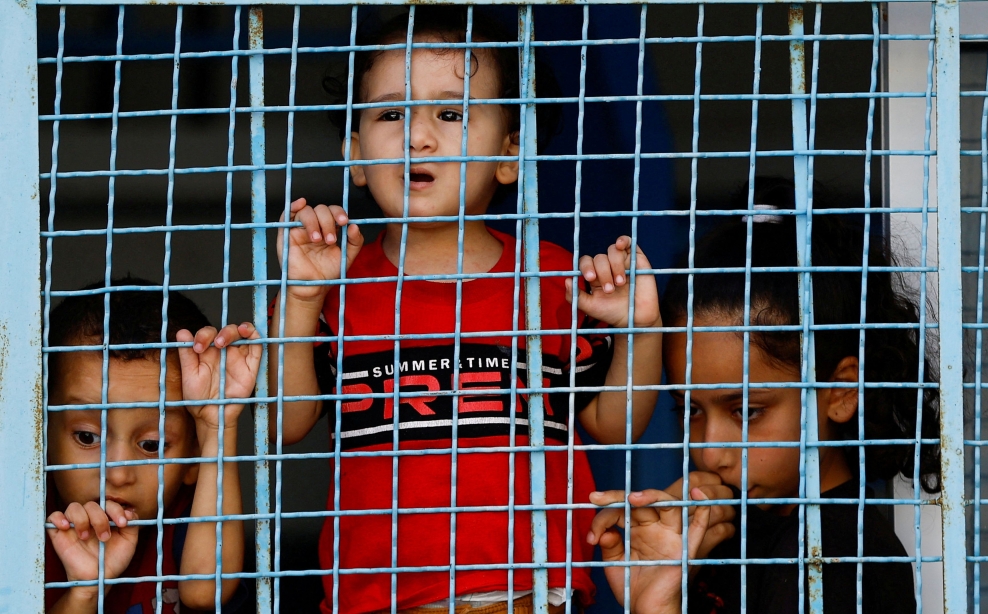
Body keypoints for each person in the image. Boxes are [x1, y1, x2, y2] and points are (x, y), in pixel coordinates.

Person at [267, 7, 662, 613]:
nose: (417, 136)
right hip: (377, 600)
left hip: (529, 594)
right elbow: (283, 423)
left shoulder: (551, 277)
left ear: (511, 152)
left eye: (452, 113)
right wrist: (300, 297)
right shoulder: (336, 284)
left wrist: (639, 330)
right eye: (391, 113)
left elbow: (613, 425)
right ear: (354, 153)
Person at [588, 180, 940, 613]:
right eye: (691, 410)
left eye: (747, 411)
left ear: (842, 389)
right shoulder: (724, 534)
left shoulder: (838, 554)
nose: (711, 450)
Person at [45, 278, 261, 614]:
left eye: (152, 444)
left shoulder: (188, 523)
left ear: (192, 459)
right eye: (87, 437)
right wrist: (83, 594)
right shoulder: (23, 524)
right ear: (40, 438)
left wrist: (218, 425)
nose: (116, 473)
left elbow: (207, 592)